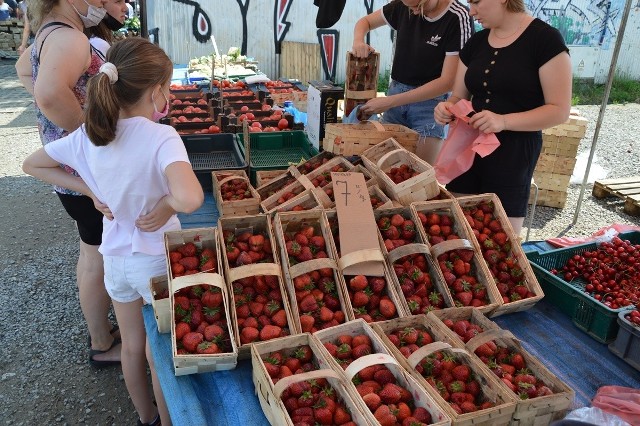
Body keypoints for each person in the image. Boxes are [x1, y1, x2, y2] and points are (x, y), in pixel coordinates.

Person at [23, 37, 204, 426]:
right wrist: (167, 204)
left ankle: (145, 418)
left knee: (132, 346)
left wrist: (91, 191)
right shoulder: (162, 137)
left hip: (114, 262)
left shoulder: (89, 135)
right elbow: (190, 198)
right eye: (168, 89)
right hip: (155, 262)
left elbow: (31, 165)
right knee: (160, 354)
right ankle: (169, 421)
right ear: (156, 91)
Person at [15, 0, 125, 368]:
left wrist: (60, 125)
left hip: (71, 175)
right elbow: (47, 93)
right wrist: (89, 135)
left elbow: (24, 70)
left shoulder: (51, 33)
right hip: (82, 175)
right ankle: (101, 344)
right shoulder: (73, 39)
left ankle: (103, 333)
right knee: (95, 256)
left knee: (90, 250)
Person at [434, 0, 572, 234]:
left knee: (500, 239)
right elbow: (458, 95)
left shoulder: (545, 40)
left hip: (514, 154)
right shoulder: (477, 42)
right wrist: (446, 107)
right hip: (469, 147)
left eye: (476, 1)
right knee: (456, 229)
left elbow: (559, 110)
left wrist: (504, 121)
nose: (471, 10)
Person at [352, 0, 473, 164]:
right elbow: (364, 22)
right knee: (379, 167)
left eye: (419, 6)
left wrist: (390, 102)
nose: (415, 12)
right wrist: (358, 40)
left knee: (417, 174)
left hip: (430, 106)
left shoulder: (458, 16)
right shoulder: (403, 6)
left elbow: (448, 81)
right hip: (395, 95)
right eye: (410, 7)